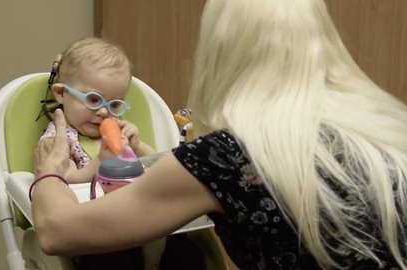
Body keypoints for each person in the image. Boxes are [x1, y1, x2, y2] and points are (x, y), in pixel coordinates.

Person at [32, 0, 407, 269]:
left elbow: (54, 233)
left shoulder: (226, 157)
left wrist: (48, 172)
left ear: (219, 53)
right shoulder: (388, 127)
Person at [39, 37, 169, 270]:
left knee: (187, 250)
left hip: (137, 220)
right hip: (90, 231)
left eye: (114, 104)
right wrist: (101, 160)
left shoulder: (118, 133)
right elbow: (66, 179)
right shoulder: (59, 138)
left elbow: (159, 167)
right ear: (61, 93)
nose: (102, 112)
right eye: (93, 99)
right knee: (109, 261)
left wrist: (138, 146)